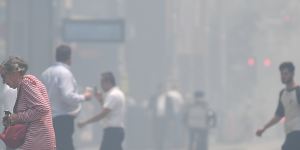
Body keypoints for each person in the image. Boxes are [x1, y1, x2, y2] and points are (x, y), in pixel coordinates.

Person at [41, 44, 93, 150]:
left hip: (48, 119)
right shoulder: (64, 73)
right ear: (69, 57)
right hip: (62, 119)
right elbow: (68, 96)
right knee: (65, 145)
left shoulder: (46, 73)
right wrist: (84, 97)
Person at [0, 56, 56, 149]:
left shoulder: (26, 83)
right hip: (41, 139)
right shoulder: (30, 82)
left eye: (4, 76)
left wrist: (17, 117)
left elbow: (43, 108)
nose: (3, 81)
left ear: (14, 73)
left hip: (36, 139)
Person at [256, 62, 300, 150]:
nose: (283, 76)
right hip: (289, 132)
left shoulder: (298, 91)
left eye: (286, 73)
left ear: (292, 74)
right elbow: (278, 115)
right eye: (281, 74)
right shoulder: (282, 94)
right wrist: (264, 128)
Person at [78, 72, 126, 150]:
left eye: (102, 82)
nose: (101, 85)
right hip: (116, 131)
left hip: (112, 132)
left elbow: (103, 114)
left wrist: (85, 122)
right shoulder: (118, 93)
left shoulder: (113, 95)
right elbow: (108, 113)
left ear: (108, 82)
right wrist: (100, 100)